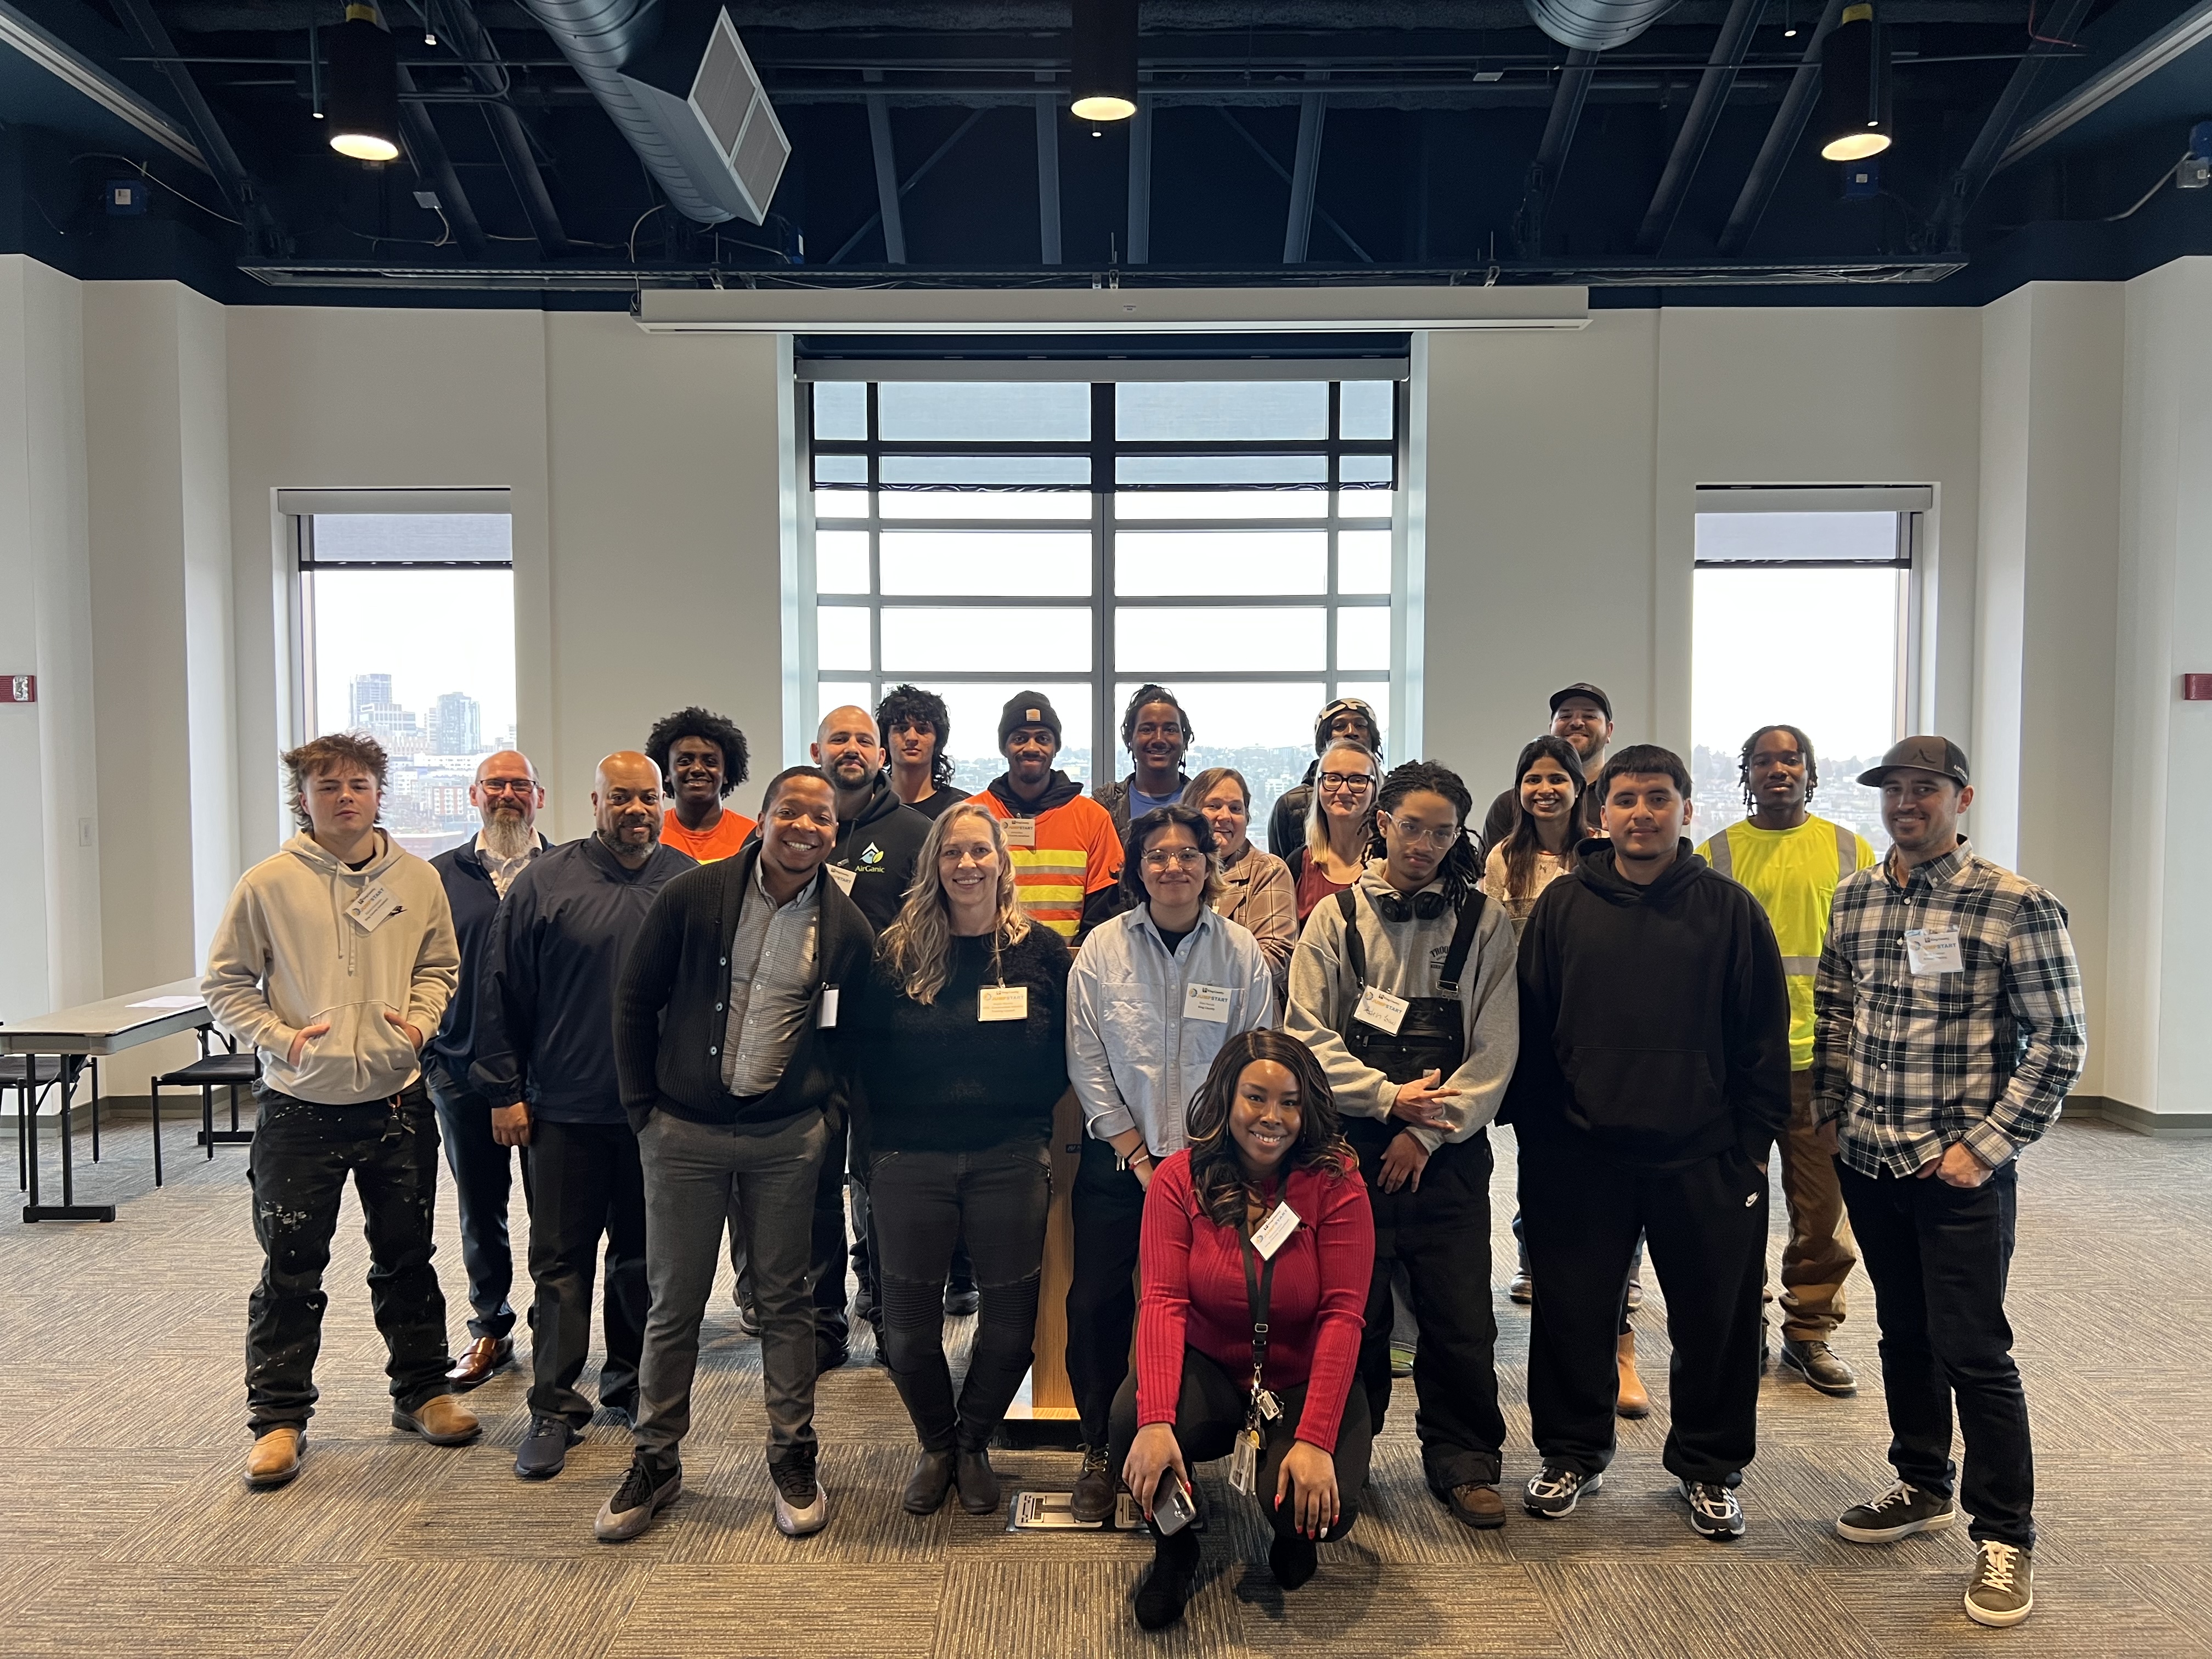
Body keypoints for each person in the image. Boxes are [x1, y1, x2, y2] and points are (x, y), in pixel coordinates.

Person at [1815, 737, 2084, 1629]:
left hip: (1957, 1168)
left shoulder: (2014, 904)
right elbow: (1838, 1009)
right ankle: (1920, 1480)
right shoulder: (1853, 897)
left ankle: (2004, 1532)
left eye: (1923, 788)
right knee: (1903, 1332)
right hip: (1870, 1155)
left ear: (1959, 797)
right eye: (1893, 789)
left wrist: (1988, 1145)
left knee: (1975, 1350)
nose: (1905, 803)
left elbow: (2057, 1041)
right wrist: (1831, 1107)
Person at [1509, 744, 1790, 1541]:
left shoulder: (1731, 911)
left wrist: (1748, 1152)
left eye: (1659, 798)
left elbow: (1762, 1043)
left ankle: (1709, 1467)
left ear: (1686, 811)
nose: (1642, 813)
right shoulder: (1564, 907)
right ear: (1601, 814)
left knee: (1718, 1321)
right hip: (1579, 1157)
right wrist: (1543, 1145)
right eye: (1626, 799)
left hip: (1704, 1157)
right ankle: (1572, 1451)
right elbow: (1530, 1031)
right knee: (1572, 1313)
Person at [599, 766, 874, 1544]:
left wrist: (828, 1118)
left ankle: (792, 1453)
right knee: (674, 1304)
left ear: (834, 832)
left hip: (786, 1141)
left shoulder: (845, 926)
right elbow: (633, 1000)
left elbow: (852, 1038)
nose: (805, 827)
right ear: (763, 817)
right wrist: (642, 1112)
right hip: (681, 1133)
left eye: (821, 818)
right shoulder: (694, 894)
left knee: (786, 1304)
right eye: (791, 811)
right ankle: (656, 1458)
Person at [202, 732, 473, 1489]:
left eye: (358, 784)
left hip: (395, 1100)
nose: (345, 797)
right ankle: (279, 1419)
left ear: (379, 793)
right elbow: (225, 983)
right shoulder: (267, 884)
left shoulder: (417, 880)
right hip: (300, 1108)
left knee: (407, 1255)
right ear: (305, 799)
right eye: (329, 787)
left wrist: (419, 1025)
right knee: (291, 1265)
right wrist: (282, 1040)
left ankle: (422, 1391)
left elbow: (440, 965)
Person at [1285, 760, 1519, 1528]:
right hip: (1350, 1147)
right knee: (1352, 1316)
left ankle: (1466, 1463)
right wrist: (1388, 1099)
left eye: (1442, 831)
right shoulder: (1335, 919)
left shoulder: (1486, 923)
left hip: (1447, 1155)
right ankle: (1344, 1457)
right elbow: (1306, 1037)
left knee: (1459, 1317)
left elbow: (1495, 1048)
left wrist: (1421, 1131)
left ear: (1460, 836)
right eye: (1411, 826)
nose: (1424, 844)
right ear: (1382, 822)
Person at [473, 753, 695, 1481]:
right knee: (561, 1266)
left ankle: (628, 1387)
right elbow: (499, 990)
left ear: (663, 803)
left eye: (649, 798)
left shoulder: (685, 885)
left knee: (641, 1261)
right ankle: (552, 1405)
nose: (637, 809)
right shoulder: (546, 882)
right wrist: (504, 1089)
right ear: (593, 802)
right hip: (563, 1111)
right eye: (621, 798)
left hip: (654, 1115)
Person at [850, 804, 1072, 1516]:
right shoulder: (895, 954)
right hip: (910, 1159)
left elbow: (1072, 1053)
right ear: (934, 865)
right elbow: (861, 1058)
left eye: (981, 851)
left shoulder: (1041, 953)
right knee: (906, 1333)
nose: (968, 865)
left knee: (1011, 1331)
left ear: (1002, 862)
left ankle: (972, 1442)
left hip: (1009, 1156)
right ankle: (936, 1443)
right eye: (954, 853)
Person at [1113, 1031, 1374, 1629]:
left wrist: (1313, 1438)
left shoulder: (1338, 1183)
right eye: (1256, 1097)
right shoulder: (1180, 1180)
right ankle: (1177, 1549)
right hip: (1210, 1364)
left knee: (1317, 1508)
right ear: (1227, 1097)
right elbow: (1161, 1301)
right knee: (1133, 1426)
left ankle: (1294, 1536)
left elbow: (1343, 1316)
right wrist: (1156, 1419)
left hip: (1300, 1373)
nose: (1272, 1118)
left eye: (1290, 1102)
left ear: (1308, 1111)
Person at [1065, 804, 1277, 1521]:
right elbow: (1087, 1058)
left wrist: (1212, 1156)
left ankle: (1193, 1442)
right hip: (1119, 1165)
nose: (1174, 866)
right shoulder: (1101, 951)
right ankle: (1099, 1450)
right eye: (1158, 855)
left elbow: (1256, 1056)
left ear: (1209, 866)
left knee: (1208, 1305)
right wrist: (1133, 1152)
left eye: (1189, 854)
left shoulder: (1241, 951)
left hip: (1212, 1168)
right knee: (1095, 1304)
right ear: (1137, 868)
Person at [1695, 725, 1875, 1398]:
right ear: (1746, 773)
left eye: (1790, 759)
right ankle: (1742, 1323)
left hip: (1820, 1062)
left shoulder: (1849, 848)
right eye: (1764, 760)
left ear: (1810, 771)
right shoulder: (1715, 853)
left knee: (1820, 1211)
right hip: (1738, 1064)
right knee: (1729, 1206)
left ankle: (1809, 1330)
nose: (1778, 770)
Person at [1481, 737, 1653, 1405]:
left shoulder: (1603, 853)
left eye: (1557, 778)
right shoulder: (1505, 859)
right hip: (1531, 1043)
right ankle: (1560, 1327)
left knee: (1619, 1190)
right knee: (1548, 1182)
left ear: (1580, 786)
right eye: (1532, 779)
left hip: (1599, 1041)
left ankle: (1623, 1347)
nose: (1544, 789)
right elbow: (1496, 955)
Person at [808, 703, 935, 1365]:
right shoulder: (791, 824)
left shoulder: (917, 833)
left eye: (863, 739)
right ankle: (822, 1323)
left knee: (886, 1184)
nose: (851, 749)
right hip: (807, 1044)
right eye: (839, 739)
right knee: (816, 1186)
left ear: (882, 754)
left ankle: (892, 1317)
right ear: (816, 748)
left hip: (890, 1042)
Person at [426, 750, 549, 1390]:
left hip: (551, 1078)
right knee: (482, 1209)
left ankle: (556, 1332)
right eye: (496, 784)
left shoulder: (565, 871)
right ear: (474, 795)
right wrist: (431, 1057)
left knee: (556, 1214)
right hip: (462, 1072)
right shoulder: (438, 877)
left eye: (519, 785)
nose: (508, 794)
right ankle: (490, 1330)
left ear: (541, 797)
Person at [967, 691, 1124, 941]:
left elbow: (1104, 912)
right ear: (1004, 747)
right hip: (988, 964)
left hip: (1068, 968)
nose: (1031, 748)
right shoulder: (972, 817)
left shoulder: (1093, 818)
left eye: (1043, 738)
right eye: (1020, 738)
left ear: (1056, 747)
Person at [1185, 766, 1296, 997]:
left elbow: (1275, 958)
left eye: (1236, 808)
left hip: (1249, 1021)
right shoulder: (1172, 871)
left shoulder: (1268, 870)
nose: (1225, 816)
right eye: (1213, 806)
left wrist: (1190, 975)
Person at [1480, 683, 1614, 853]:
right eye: (1565, 716)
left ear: (1609, 731)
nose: (1577, 722)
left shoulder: (1619, 800)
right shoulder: (1509, 805)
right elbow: (1487, 875)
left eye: (1589, 716)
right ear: (1551, 729)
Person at [1267, 697, 1384, 859]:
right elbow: (1281, 869)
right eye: (1339, 726)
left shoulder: (1395, 797)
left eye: (1360, 725)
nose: (1351, 732)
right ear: (1323, 739)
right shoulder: (1290, 804)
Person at [1285, 738, 1378, 922]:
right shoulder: (1298, 865)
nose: (1344, 791)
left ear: (1375, 789)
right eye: (1333, 779)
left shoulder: (1390, 863)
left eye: (1358, 780)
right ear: (1319, 787)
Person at [647, 706, 755, 863]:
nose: (697, 769)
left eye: (710, 762)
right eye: (685, 761)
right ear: (667, 773)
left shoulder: (752, 836)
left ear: (726, 773)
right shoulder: (651, 833)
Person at [1096, 683, 1194, 832]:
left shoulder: (1205, 803)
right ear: (1130, 739)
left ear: (1185, 740)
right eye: (1147, 730)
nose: (1159, 740)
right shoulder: (1104, 807)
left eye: (1170, 730)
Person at [878, 682, 966, 821]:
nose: (912, 738)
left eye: (923, 730)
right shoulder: (870, 808)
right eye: (901, 729)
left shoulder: (962, 809)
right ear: (885, 739)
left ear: (938, 740)